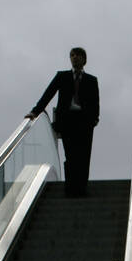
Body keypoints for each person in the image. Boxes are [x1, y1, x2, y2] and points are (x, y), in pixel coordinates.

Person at [26, 47, 99, 197]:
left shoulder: (91, 80)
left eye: (78, 55)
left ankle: (82, 188)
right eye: (72, 55)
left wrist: (94, 119)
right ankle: (71, 188)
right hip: (68, 121)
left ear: (84, 60)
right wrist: (35, 111)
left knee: (84, 156)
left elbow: (95, 102)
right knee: (71, 155)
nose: (74, 58)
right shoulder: (62, 76)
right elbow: (48, 94)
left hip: (85, 123)